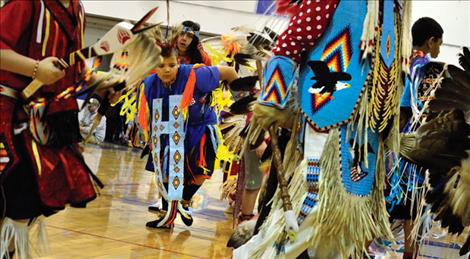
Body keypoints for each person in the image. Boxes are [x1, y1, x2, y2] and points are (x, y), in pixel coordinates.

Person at [0, 1, 104, 257]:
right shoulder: (27, 3)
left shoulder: (76, 10)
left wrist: (101, 84)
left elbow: (73, 69)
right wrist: (35, 68)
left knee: (27, 205)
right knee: (12, 197)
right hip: (9, 115)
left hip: (48, 122)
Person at [138, 44, 238, 228]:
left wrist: (240, 105)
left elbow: (230, 72)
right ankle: (167, 217)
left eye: (172, 65)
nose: (167, 69)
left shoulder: (197, 75)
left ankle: (183, 202)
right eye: (161, 65)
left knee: (201, 172)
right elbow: (148, 115)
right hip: (169, 130)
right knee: (166, 172)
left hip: (199, 127)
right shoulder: (149, 85)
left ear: (178, 63)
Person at [387, 17, 444, 259]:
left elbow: (399, 109)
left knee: (389, 207)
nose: (439, 49)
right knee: (413, 208)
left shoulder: (399, 62)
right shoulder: (426, 69)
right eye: (439, 43)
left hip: (393, 148)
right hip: (414, 150)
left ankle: (356, 252)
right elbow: (421, 111)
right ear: (431, 41)